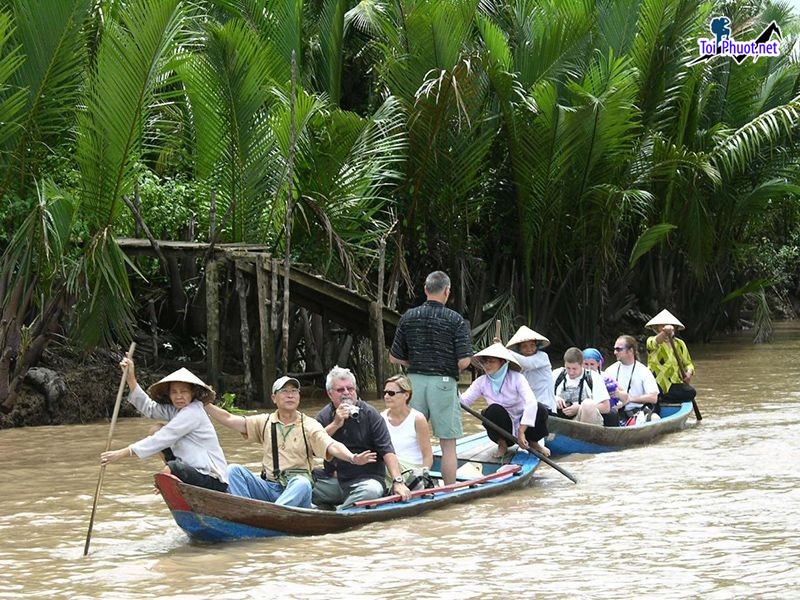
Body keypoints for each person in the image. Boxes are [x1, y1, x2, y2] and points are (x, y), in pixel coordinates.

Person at [204, 375, 375, 508]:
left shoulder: (308, 424)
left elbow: (331, 445)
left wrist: (353, 458)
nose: (290, 395)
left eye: (294, 391)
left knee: (302, 483)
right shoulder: (264, 422)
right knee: (234, 470)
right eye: (284, 392)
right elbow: (229, 419)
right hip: (270, 486)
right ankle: (244, 511)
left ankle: (272, 515)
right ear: (274, 398)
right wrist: (204, 404)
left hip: (295, 490)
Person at [389, 270, 472, 485]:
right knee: (448, 445)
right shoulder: (455, 319)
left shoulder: (409, 317)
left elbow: (394, 356)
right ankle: (449, 491)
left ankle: (405, 483)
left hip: (412, 383)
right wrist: (445, 366)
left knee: (411, 437)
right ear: (447, 291)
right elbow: (464, 362)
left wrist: (414, 363)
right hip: (443, 384)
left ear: (425, 290)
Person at [99, 355, 228, 492]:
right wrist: (131, 378)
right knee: (156, 429)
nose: (179, 396)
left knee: (171, 468)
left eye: (184, 392)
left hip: (211, 477)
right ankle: (172, 476)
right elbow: (149, 408)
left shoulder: (193, 412)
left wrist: (122, 453)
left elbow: (163, 438)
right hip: (192, 469)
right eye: (174, 392)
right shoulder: (176, 411)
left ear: (192, 393)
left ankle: (171, 476)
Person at [314, 366, 411, 509]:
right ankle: (330, 509)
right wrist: (335, 424)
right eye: (340, 390)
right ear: (330, 394)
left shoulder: (370, 414)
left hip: (365, 481)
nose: (346, 393)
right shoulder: (324, 415)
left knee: (372, 491)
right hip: (334, 482)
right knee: (302, 485)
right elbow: (311, 447)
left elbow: (387, 450)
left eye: (350, 389)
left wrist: (398, 481)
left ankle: (339, 514)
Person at [459, 342, 551, 458]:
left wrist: (521, 432)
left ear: (502, 363)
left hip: (525, 425)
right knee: (492, 410)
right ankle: (502, 444)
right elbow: (464, 402)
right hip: (502, 427)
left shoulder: (517, 378)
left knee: (540, 408)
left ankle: (533, 442)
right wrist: (453, 387)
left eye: (492, 361)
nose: (487, 365)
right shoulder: (481, 382)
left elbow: (531, 402)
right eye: (485, 362)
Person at [380, 374, 433, 487]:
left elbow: (427, 456)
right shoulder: (381, 418)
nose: (386, 396)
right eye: (385, 392)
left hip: (410, 470)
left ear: (406, 395)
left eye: (391, 393)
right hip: (390, 467)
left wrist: (422, 476)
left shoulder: (417, 419)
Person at [603, 335, 660, 423]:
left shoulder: (643, 371)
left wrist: (629, 399)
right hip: (616, 412)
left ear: (631, 350)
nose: (615, 352)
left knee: (655, 418)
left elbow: (653, 397)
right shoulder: (609, 370)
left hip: (637, 412)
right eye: (614, 349)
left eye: (618, 349)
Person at [645, 309, 697, 404]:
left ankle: (661, 399)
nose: (667, 328)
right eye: (662, 326)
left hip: (674, 384)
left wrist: (688, 373)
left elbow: (688, 363)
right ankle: (658, 398)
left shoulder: (680, 344)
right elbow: (655, 342)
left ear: (675, 328)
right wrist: (665, 332)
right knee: (658, 391)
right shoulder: (651, 341)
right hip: (657, 384)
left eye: (670, 326)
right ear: (657, 328)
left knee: (691, 392)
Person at [551, 347, 610, 425]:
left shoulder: (593, 377)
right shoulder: (556, 374)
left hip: (585, 420)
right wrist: (554, 398)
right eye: (568, 368)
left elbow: (606, 407)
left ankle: (584, 436)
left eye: (574, 369)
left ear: (582, 364)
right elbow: (541, 396)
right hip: (559, 419)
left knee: (588, 404)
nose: (571, 372)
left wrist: (580, 408)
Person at [506, 326, 556, 412]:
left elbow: (527, 363)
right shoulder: (517, 364)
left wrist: (505, 350)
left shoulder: (542, 356)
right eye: (524, 346)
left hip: (545, 407)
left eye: (532, 345)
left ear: (536, 346)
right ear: (520, 349)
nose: (529, 349)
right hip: (528, 407)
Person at [582, 348, 621, 426]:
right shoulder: (577, 375)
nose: (589, 368)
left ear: (598, 364)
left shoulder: (605, 376)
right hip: (584, 408)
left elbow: (625, 396)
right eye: (586, 364)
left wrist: (616, 394)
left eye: (592, 364)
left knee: (613, 413)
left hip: (601, 409)